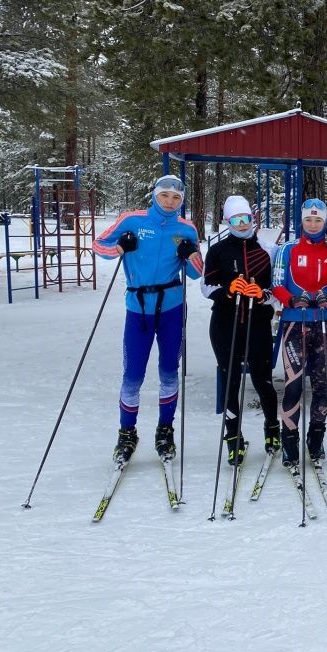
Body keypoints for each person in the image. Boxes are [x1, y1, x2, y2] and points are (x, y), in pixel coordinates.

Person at [93, 174, 202, 464]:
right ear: (155, 195)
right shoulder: (132, 220)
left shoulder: (186, 228)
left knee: (169, 370)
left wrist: (189, 254)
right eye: (165, 195)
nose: (170, 201)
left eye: (176, 198)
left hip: (172, 308)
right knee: (133, 375)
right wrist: (119, 247)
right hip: (138, 308)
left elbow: (197, 272)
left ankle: (165, 430)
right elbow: (98, 246)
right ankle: (126, 433)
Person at [201, 195, 279, 466]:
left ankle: (272, 429)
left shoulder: (268, 249)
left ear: (252, 219)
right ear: (227, 221)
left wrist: (263, 294)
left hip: (257, 324)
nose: (242, 224)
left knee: (262, 379)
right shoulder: (218, 250)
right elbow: (206, 286)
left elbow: (278, 293)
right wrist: (228, 290)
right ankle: (233, 437)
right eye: (236, 220)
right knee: (231, 380)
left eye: (246, 218)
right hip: (225, 323)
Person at [271, 198, 327, 468]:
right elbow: (277, 283)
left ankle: (316, 438)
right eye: (308, 220)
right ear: (301, 221)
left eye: (318, 220)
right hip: (295, 322)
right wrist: (291, 300)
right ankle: (289, 439)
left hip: (323, 324)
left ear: (324, 222)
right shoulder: (286, 250)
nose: (313, 225)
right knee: (293, 385)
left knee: (321, 384)